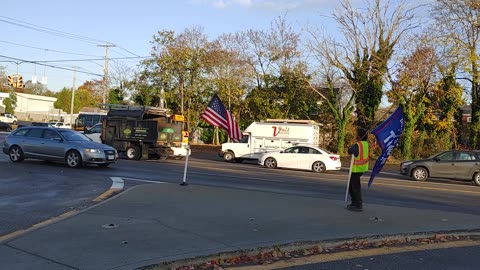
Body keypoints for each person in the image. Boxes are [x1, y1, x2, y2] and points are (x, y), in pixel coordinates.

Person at [347, 128, 369, 212]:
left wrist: (352, 146)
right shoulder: (365, 144)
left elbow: (350, 151)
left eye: (357, 134)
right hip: (361, 168)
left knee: (355, 187)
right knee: (351, 186)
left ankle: (358, 204)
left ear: (359, 136)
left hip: (357, 169)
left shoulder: (358, 145)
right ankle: (354, 202)